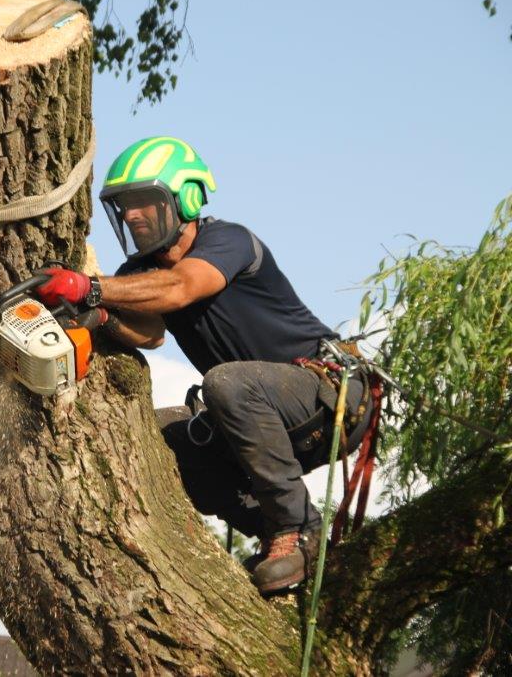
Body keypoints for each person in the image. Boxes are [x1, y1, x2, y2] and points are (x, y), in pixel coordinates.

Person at [33, 137, 373, 594]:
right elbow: (151, 333)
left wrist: (88, 287)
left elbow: (180, 288)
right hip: (257, 418)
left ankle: (293, 530)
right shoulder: (141, 273)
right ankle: (287, 534)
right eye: (125, 207)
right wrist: (103, 316)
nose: (132, 216)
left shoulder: (228, 241)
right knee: (160, 436)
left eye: (143, 202)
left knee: (226, 383)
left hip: (328, 398)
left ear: (187, 198)